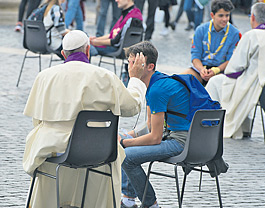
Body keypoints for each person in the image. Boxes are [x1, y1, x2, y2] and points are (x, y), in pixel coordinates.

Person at [23, 30, 147, 208]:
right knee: (107, 159)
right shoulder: (105, 77)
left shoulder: (44, 76)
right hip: (97, 150)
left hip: (53, 148)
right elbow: (131, 107)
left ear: (64, 54)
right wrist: (135, 79)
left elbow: (38, 119)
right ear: (88, 50)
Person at [119, 41, 190, 208]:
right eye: (130, 62)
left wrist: (123, 142)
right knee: (126, 146)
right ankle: (128, 201)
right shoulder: (156, 82)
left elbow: (155, 138)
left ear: (149, 66)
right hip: (185, 137)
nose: (130, 67)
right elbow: (150, 125)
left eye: (134, 63)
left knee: (127, 156)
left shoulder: (157, 90)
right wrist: (130, 135)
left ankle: (151, 204)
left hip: (181, 142)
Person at [205, 2, 265, 138]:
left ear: (253, 18)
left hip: (253, 85)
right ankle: (244, 125)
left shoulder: (252, 35)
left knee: (216, 82)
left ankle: (212, 124)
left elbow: (235, 67)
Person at [181, 0, 240, 86]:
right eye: (221, 15)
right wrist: (202, 70)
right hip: (201, 69)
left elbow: (230, 60)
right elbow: (195, 56)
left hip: (221, 72)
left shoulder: (235, 33)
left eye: (227, 15)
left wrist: (216, 70)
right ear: (212, 15)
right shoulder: (200, 30)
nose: (224, 19)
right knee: (180, 80)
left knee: (216, 83)